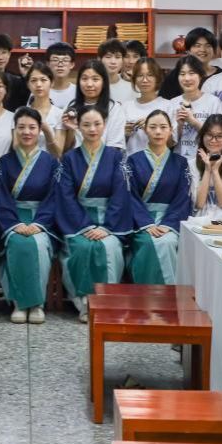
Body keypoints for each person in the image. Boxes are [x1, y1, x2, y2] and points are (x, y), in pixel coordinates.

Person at [53, 106, 137, 322]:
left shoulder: (116, 157)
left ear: (105, 125)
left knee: (108, 247)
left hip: (110, 222)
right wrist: (86, 226)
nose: (92, 129)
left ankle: (106, 302)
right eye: (86, 124)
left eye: (97, 124)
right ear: (78, 127)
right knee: (81, 247)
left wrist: (106, 227)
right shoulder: (69, 159)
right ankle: (84, 303)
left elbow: (121, 194)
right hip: (78, 222)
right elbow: (66, 197)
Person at [0, 108, 62, 324]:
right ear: (15, 129)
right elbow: (0, 197)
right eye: (22, 127)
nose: (27, 132)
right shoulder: (4, 162)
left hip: (41, 221)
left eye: (32, 127)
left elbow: (54, 197)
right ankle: (18, 302)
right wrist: (13, 224)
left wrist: (40, 223)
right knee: (17, 242)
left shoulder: (51, 162)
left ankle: (36, 303)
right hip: (12, 219)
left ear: (40, 130)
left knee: (38, 243)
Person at [125, 110, 191, 285]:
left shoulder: (181, 163)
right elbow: (130, 196)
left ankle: (168, 294)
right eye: (153, 127)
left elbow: (183, 198)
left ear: (170, 130)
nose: (158, 132)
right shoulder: (132, 161)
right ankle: (145, 294)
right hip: (141, 222)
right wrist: (146, 223)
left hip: (169, 221)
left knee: (167, 241)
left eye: (163, 127)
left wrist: (168, 224)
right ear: (145, 130)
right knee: (148, 242)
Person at [62, 59, 127, 152]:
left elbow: (115, 146)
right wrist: (71, 130)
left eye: (95, 79)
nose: (89, 84)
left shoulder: (114, 108)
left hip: (106, 159)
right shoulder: (70, 108)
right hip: (75, 160)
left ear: (104, 82)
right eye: (84, 79)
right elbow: (65, 149)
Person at [168, 55, 222, 161]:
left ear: (200, 76)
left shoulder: (213, 102)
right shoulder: (172, 103)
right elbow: (169, 144)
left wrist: (193, 121)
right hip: (179, 162)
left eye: (192, 73)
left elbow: (219, 137)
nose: (187, 78)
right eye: (182, 74)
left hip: (206, 161)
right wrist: (180, 125)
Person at [190, 114, 222, 220]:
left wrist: (215, 171)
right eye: (209, 135)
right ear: (203, 136)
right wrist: (207, 170)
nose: (213, 140)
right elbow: (199, 203)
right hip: (201, 220)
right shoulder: (192, 164)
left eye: (219, 136)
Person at [123, 58, 170, 154]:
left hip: (158, 160)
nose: (145, 80)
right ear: (134, 79)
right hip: (130, 160)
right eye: (140, 75)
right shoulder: (126, 106)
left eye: (150, 75)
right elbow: (117, 143)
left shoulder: (168, 105)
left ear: (157, 78)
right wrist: (124, 134)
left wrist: (152, 127)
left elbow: (172, 143)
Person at [22, 62, 68, 157]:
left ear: (52, 83)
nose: (38, 84)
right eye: (33, 80)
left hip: (50, 164)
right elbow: (16, 147)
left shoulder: (59, 114)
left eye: (43, 80)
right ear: (28, 84)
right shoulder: (21, 113)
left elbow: (58, 153)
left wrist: (47, 131)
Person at [160, 28, 217, 99]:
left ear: (214, 50)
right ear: (188, 50)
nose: (202, 50)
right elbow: (164, 102)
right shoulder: (176, 75)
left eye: (208, 46)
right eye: (197, 46)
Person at [0, 33, 30, 111]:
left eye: (4, 52)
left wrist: (26, 75)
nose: (0, 57)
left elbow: (27, 102)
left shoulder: (16, 81)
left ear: (9, 54)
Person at [98, 39, 137, 105]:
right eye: (108, 57)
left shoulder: (132, 88)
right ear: (99, 59)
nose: (113, 62)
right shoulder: (93, 86)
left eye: (118, 57)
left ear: (122, 60)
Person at [44, 42, 78, 109]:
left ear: (72, 64)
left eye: (65, 60)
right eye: (55, 60)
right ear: (48, 64)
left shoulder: (78, 92)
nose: (60, 65)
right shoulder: (40, 90)